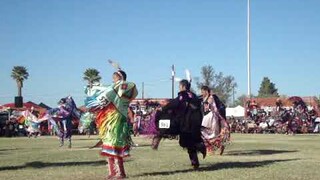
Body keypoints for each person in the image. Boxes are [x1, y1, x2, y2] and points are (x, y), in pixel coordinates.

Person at [85, 69, 138, 179]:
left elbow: (127, 88)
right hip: (109, 120)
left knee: (115, 144)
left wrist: (120, 80)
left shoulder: (125, 88)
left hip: (117, 121)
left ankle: (121, 173)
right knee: (108, 144)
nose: (113, 80)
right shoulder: (114, 89)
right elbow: (105, 91)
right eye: (113, 78)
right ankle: (112, 172)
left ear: (121, 78)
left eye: (115, 77)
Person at [156, 79, 206, 169]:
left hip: (185, 124)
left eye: (179, 86)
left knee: (185, 142)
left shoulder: (182, 95)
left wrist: (163, 109)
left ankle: (199, 150)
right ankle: (195, 160)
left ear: (183, 86)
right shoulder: (194, 96)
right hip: (195, 123)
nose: (179, 88)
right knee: (190, 142)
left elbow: (174, 104)